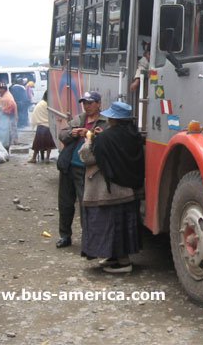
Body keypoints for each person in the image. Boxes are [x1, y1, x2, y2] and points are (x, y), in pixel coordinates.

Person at [78, 101, 144, 273]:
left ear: (114, 120)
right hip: (128, 191)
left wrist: (89, 139)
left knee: (109, 227)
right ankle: (114, 257)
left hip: (108, 192)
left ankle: (123, 263)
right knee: (121, 228)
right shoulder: (134, 135)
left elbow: (87, 158)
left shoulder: (106, 138)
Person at [55, 91, 107, 249]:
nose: (87, 106)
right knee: (65, 203)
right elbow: (62, 134)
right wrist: (72, 133)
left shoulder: (104, 121)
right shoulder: (79, 119)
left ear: (98, 103)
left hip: (87, 169)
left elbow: (107, 140)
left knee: (86, 204)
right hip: (69, 166)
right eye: (84, 103)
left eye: (90, 103)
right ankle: (65, 235)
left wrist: (89, 134)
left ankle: (88, 238)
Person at [28, 91, 56, 163]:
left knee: (37, 144)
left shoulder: (40, 104)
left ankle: (34, 158)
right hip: (48, 126)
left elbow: (35, 114)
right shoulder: (50, 105)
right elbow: (53, 115)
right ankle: (47, 158)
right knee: (49, 144)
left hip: (41, 126)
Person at [0, 83, 17, 151]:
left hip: (5, 121)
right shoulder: (1, 95)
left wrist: (1, 111)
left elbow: (11, 109)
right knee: (0, 136)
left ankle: (5, 151)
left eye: (0, 89)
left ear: (4, 89)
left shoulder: (7, 98)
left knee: (5, 137)